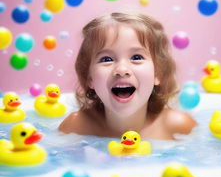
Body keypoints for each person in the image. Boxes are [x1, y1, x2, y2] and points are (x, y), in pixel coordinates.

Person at [59, 12, 196, 140]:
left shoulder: (177, 126)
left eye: (136, 57)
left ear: (157, 73)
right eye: (107, 59)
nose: (122, 69)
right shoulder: (76, 127)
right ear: (90, 78)